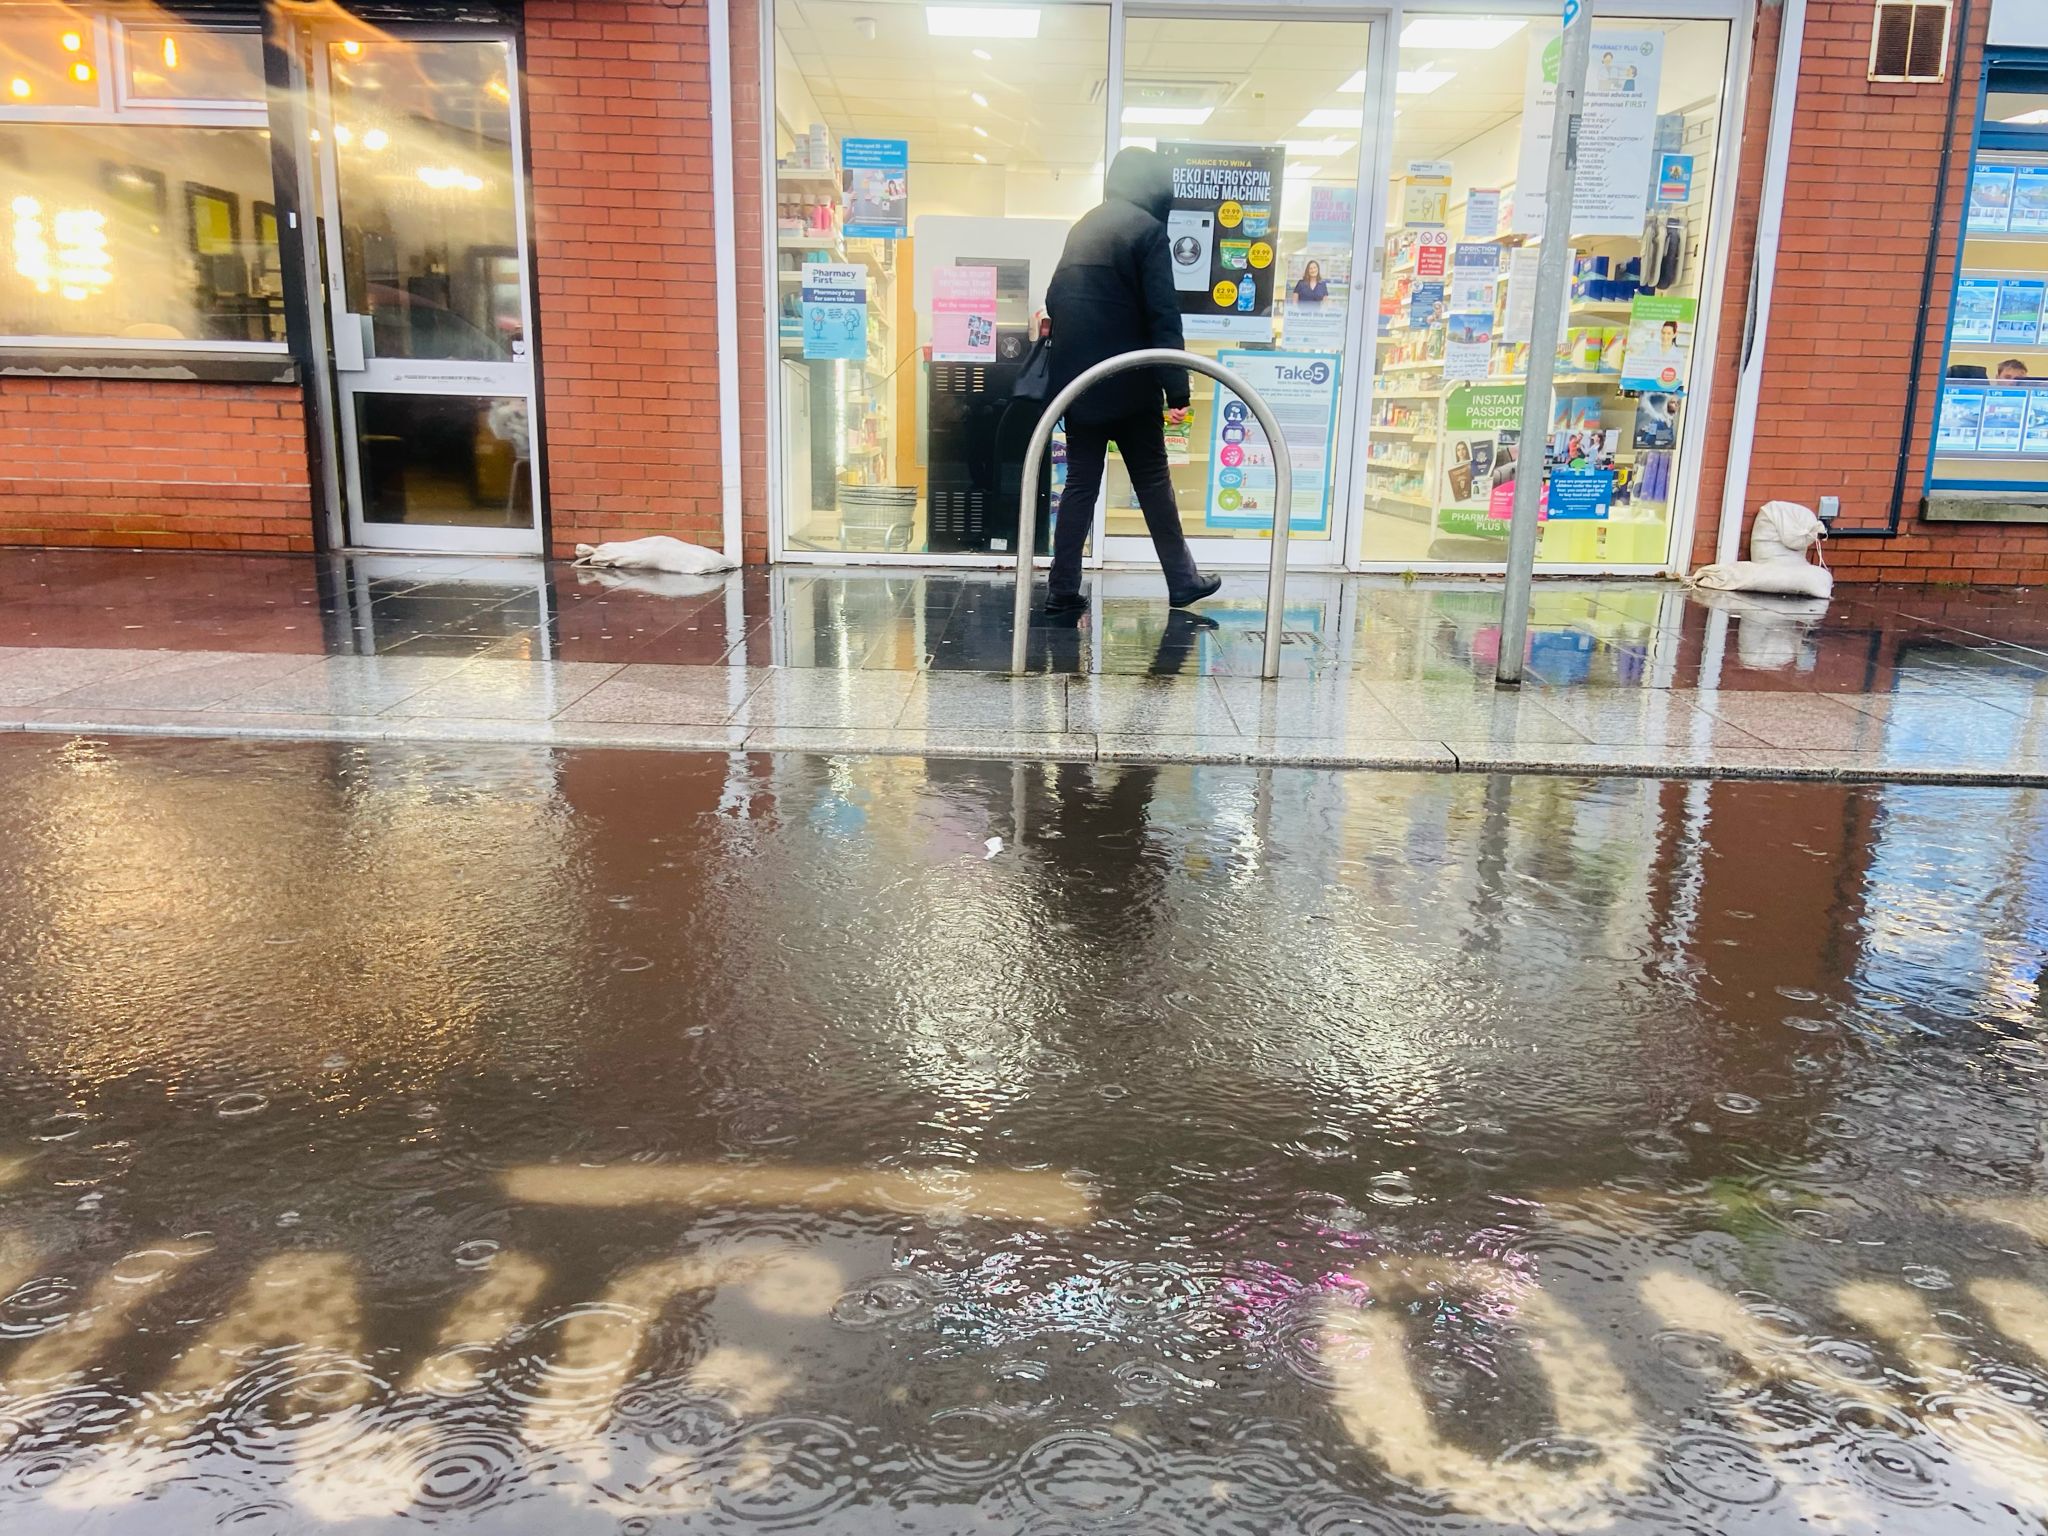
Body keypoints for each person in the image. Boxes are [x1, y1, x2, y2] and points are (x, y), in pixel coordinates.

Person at [1041, 146, 1220, 615]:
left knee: (1080, 483)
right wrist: (1177, 388)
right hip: (1131, 384)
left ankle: (1062, 587)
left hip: (1080, 386)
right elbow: (1164, 315)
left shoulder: (1083, 227)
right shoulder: (1147, 231)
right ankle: (1182, 580)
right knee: (1153, 482)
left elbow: (1055, 297)